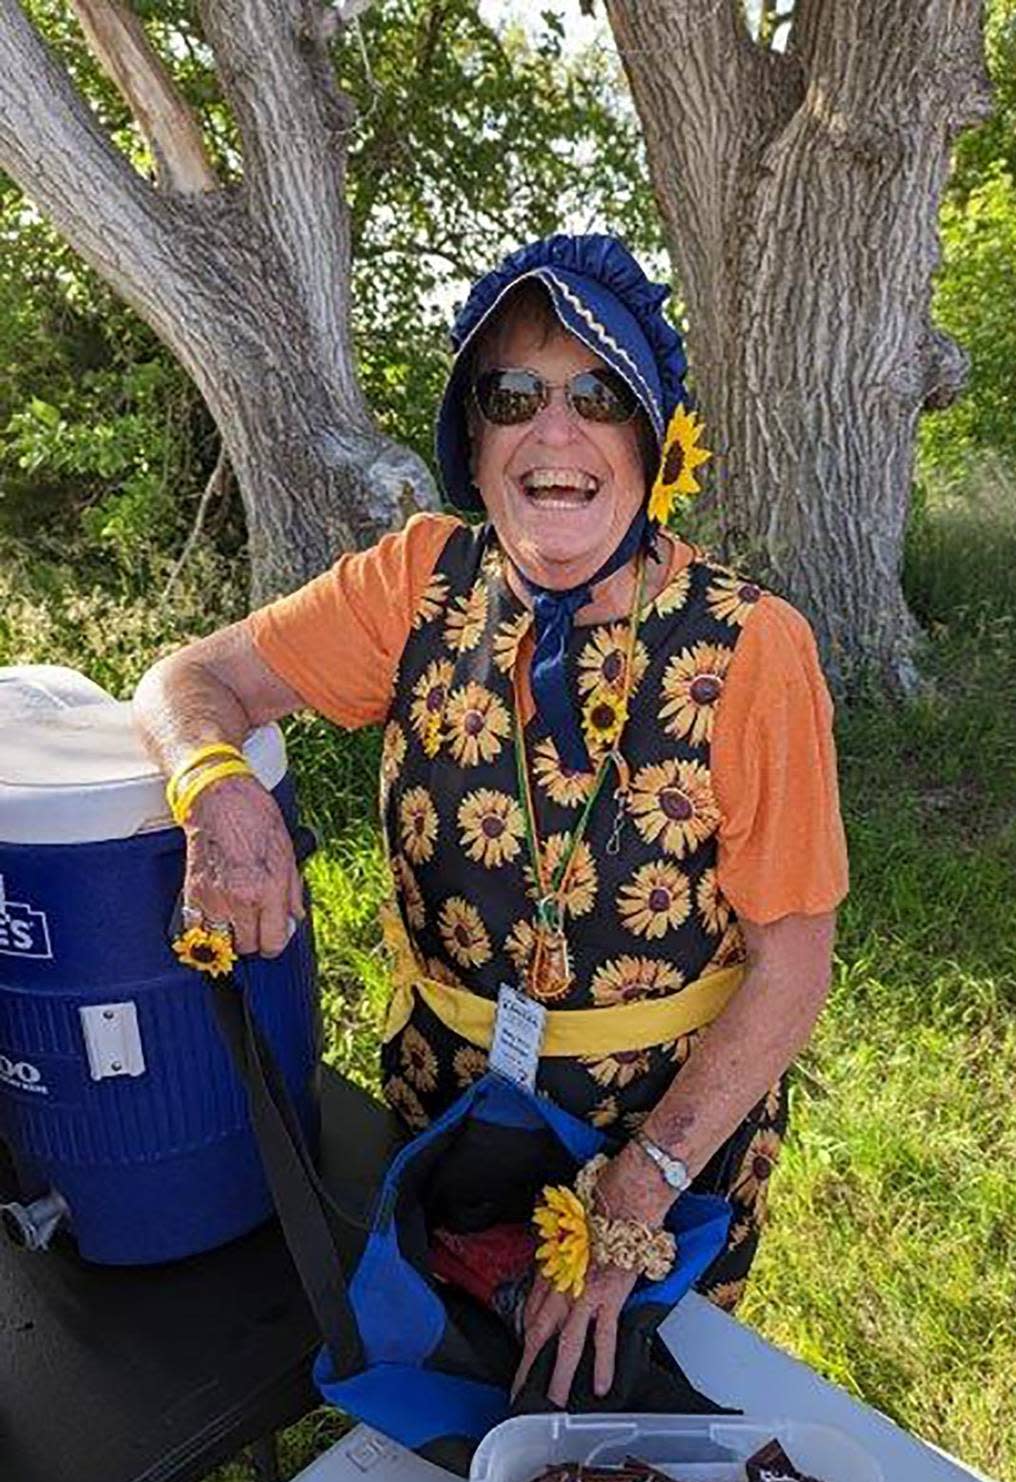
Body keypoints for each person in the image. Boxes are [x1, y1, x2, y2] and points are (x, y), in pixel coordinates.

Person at [132, 234, 847, 1412]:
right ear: (474, 441)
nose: (553, 433)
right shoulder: (418, 583)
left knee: (621, 1424)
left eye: (597, 396)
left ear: (653, 439)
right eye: (513, 395)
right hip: (444, 1112)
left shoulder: (750, 648)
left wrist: (632, 1199)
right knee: (443, 1398)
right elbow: (187, 680)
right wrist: (218, 787)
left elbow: (793, 970)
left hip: (661, 1146)